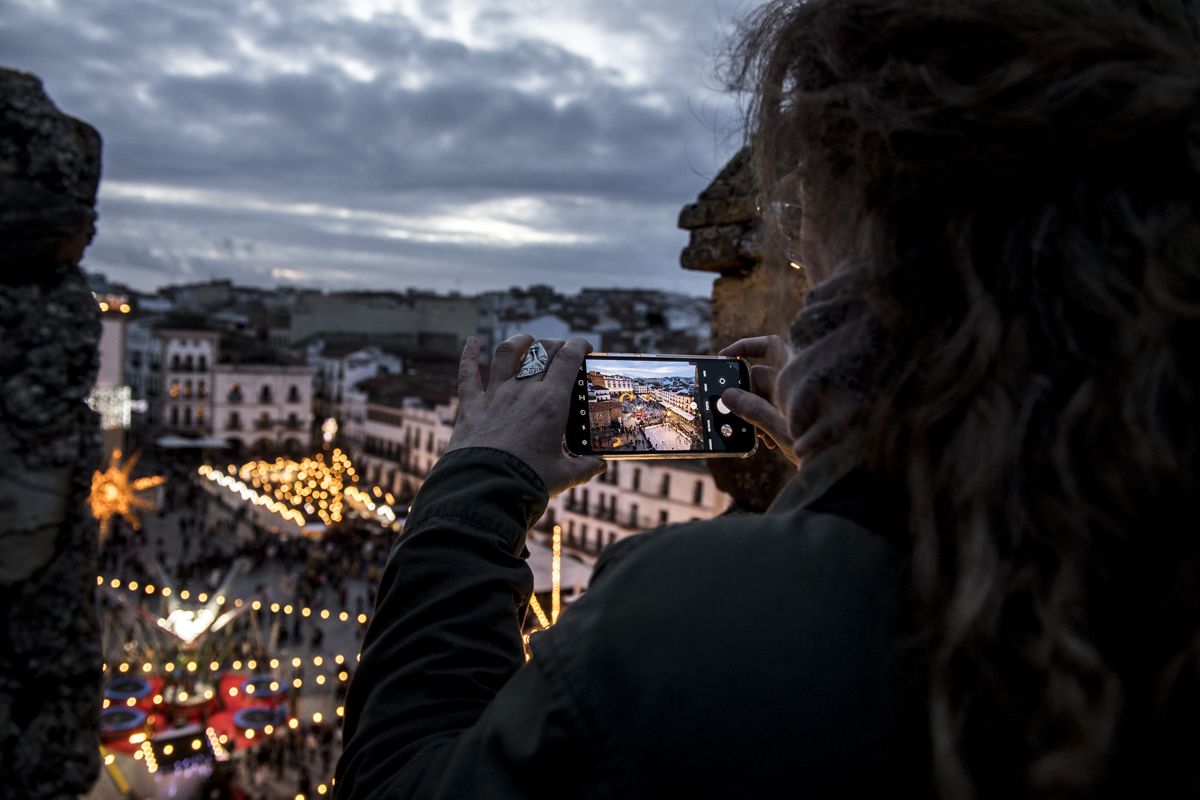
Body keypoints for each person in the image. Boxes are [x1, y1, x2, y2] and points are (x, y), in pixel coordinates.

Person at [335, 0, 1200, 797]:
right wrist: (864, 470)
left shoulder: (707, 623)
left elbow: (400, 778)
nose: (797, 253)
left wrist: (475, 485)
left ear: (870, 206)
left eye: (799, 213)